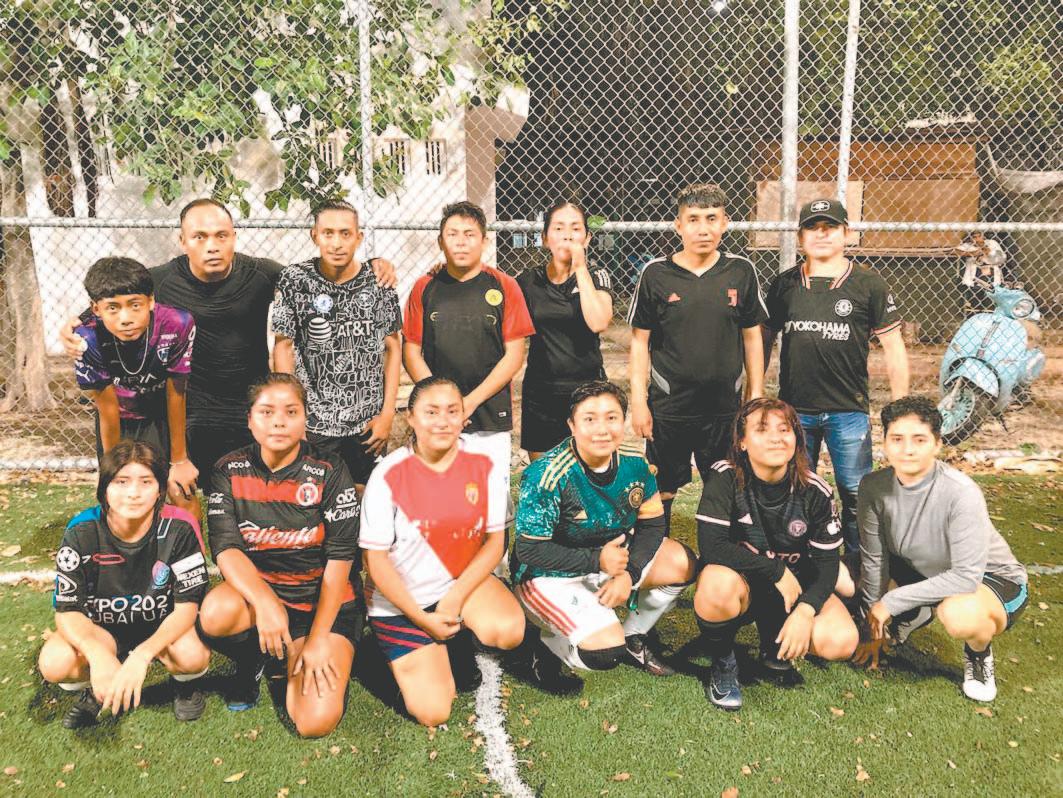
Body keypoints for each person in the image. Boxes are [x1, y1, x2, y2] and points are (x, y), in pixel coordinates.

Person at [62, 198, 397, 480]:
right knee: (178, 487)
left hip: (246, 405)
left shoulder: (262, 273)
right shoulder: (160, 281)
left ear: (234, 237)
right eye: (200, 237)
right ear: (183, 241)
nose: (212, 245)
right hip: (188, 408)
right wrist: (74, 326)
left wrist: (373, 264)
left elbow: (317, 277)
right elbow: (113, 300)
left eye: (221, 235)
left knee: (256, 493)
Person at [360, 377, 541, 726]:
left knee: (507, 630)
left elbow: (496, 543)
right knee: (433, 712)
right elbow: (375, 562)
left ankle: (455, 639)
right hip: (401, 602)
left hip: (455, 586)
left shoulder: (483, 465)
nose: (442, 421)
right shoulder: (387, 475)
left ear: (464, 418)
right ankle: (381, 652)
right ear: (411, 417)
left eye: (452, 411)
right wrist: (420, 617)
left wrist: (454, 599)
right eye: (431, 412)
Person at [197, 374, 363, 737]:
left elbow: (340, 561)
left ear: (306, 418)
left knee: (314, 722)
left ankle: (296, 650)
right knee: (215, 614)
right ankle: (254, 657)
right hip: (266, 598)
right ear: (250, 419)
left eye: (291, 412)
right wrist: (266, 602)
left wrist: (318, 639)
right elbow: (226, 548)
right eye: (267, 412)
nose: (279, 422)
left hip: (323, 606)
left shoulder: (330, 470)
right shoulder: (228, 469)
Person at [512, 380, 696, 678]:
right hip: (551, 574)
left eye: (611, 417)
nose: (602, 429)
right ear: (572, 425)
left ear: (623, 421)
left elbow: (652, 524)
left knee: (682, 563)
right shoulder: (545, 474)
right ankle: (547, 644)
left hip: (611, 562)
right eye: (589, 419)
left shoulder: (635, 464)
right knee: (604, 652)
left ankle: (634, 637)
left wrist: (629, 574)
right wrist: (597, 560)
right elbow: (529, 550)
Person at [854, 396, 1028, 702]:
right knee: (846, 576)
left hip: (988, 579)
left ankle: (978, 654)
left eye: (919, 439)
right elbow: (874, 558)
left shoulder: (961, 492)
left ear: (937, 444)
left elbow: (965, 578)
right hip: (925, 570)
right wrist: (872, 624)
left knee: (958, 613)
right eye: (897, 439)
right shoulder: (873, 486)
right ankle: (915, 612)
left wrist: (890, 602)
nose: (907, 449)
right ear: (885, 443)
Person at [764, 198, 909, 561]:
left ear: (847, 233)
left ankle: (860, 566)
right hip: (795, 411)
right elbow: (762, 341)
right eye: (812, 227)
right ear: (800, 237)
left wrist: (902, 409)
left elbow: (894, 346)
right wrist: (755, 393)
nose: (822, 234)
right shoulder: (784, 284)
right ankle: (803, 562)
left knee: (856, 492)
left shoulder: (868, 284)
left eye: (830, 227)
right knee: (796, 490)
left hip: (848, 410)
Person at [693, 398, 857, 711]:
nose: (776, 438)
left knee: (840, 640)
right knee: (715, 585)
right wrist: (775, 570)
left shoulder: (815, 490)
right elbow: (712, 547)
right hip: (744, 584)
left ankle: (774, 640)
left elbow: (827, 567)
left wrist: (806, 610)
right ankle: (724, 661)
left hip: (793, 591)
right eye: (762, 429)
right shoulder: (725, 477)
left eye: (785, 429)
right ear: (742, 442)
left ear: (797, 439)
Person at [37, 440, 210, 728]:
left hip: (160, 626)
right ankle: (95, 687)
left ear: (160, 489)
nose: (133, 493)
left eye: (146, 481)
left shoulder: (180, 528)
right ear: (104, 487)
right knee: (55, 662)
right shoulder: (81, 531)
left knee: (192, 655)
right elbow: (67, 611)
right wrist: (97, 654)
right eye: (121, 481)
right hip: (102, 630)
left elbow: (187, 608)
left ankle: (184, 684)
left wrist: (142, 655)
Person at [628, 183, 767, 534]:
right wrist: (639, 403)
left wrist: (755, 395)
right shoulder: (656, 274)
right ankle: (656, 553)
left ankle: (720, 555)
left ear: (725, 223)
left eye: (711, 218)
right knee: (662, 487)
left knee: (725, 485)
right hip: (670, 406)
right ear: (679, 225)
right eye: (693, 219)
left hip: (724, 408)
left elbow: (752, 337)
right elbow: (640, 343)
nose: (703, 228)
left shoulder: (741, 271)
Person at [402, 201, 535, 513]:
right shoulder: (424, 287)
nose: (461, 242)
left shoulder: (505, 286)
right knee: (438, 502)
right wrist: (442, 404)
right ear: (440, 241)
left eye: (469, 234)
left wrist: (469, 402)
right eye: (452, 234)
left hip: (488, 415)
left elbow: (514, 356)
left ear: (484, 241)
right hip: (437, 417)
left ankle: (494, 548)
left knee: (491, 503)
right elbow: (411, 351)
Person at [273, 200, 402, 489]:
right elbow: (282, 348)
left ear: (359, 237)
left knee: (367, 496)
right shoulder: (294, 280)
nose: (337, 243)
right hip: (315, 422)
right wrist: (292, 415)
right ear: (314, 236)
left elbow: (394, 349)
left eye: (345, 233)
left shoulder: (379, 282)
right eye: (328, 233)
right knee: (313, 496)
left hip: (367, 422)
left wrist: (387, 415)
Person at [74, 257, 198, 513]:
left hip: (160, 414)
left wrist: (179, 460)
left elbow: (177, 392)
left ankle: (192, 539)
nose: (126, 318)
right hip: (118, 417)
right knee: (120, 496)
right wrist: (114, 470)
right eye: (113, 308)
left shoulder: (177, 323)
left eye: (135, 305)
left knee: (180, 490)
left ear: (150, 301)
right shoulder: (87, 338)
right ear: (96, 309)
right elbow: (107, 408)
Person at [516, 202, 613, 459]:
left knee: (589, 472)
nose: (567, 235)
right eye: (558, 228)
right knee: (543, 474)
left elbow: (599, 321)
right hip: (541, 391)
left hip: (587, 390)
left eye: (575, 228)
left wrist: (580, 268)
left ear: (587, 238)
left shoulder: (596, 275)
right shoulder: (528, 280)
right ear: (545, 238)